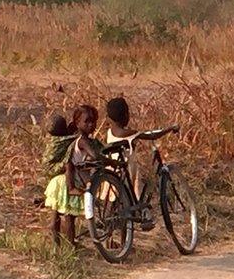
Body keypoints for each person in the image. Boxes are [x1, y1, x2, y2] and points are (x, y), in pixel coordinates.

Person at [104, 96, 179, 230]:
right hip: (127, 167)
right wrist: (170, 128)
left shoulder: (110, 131)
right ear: (127, 115)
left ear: (109, 118)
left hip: (111, 167)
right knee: (133, 193)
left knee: (114, 201)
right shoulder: (129, 133)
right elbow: (152, 136)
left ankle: (112, 235)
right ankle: (142, 215)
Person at [43, 105, 101, 247]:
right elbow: (95, 156)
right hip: (67, 182)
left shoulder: (71, 139)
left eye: (93, 121)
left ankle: (57, 245)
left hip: (57, 181)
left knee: (57, 213)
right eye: (87, 121)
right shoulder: (81, 140)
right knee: (69, 216)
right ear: (77, 123)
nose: (91, 125)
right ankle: (70, 245)